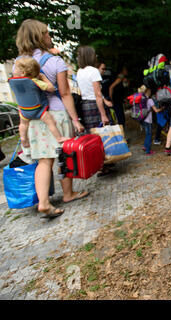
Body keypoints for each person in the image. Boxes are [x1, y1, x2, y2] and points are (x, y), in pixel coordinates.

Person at [14, 19, 89, 218]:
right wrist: (75, 119)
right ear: (39, 36)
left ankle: (44, 202)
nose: (50, 36)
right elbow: (64, 94)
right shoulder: (55, 61)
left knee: (44, 162)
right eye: (46, 33)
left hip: (34, 117)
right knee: (64, 156)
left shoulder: (17, 64)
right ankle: (68, 194)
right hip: (56, 113)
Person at [9, 57, 69, 147]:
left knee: (23, 125)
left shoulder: (12, 82)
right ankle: (59, 138)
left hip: (24, 111)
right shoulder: (34, 81)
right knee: (50, 122)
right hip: (38, 110)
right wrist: (44, 78)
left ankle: (24, 140)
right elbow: (51, 88)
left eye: (16, 68)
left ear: (22, 73)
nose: (13, 69)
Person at [76, 46, 110, 131]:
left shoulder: (79, 71)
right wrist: (103, 114)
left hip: (85, 105)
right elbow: (98, 94)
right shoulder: (94, 71)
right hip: (95, 105)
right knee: (104, 133)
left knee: (93, 134)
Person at [138, 85, 162, 155]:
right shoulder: (149, 100)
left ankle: (145, 146)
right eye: (150, 91)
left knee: (147, 133)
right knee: (149, 134)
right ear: (147, 91)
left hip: (141, 119)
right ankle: (148, 151)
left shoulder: (140, 99)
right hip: (147, 120)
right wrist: (162, 108)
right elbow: (156, 111)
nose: (151, 92)